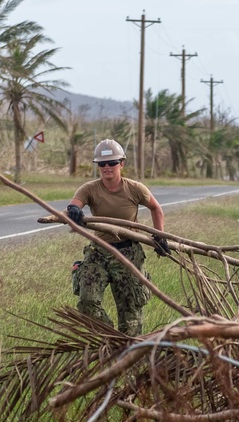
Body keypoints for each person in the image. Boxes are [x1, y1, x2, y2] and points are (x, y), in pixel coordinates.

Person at [65, 138, 171, 336]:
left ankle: (127, 352)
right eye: (102, 164)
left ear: (121, 163)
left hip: (128, 253)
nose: (107, 167)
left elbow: (156, 208)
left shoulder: (135, 188)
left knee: (131, 316)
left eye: (112, 163)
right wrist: (74, 210)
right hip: (99, 252)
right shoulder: (89, 188)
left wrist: (159, 236)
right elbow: (75, 204)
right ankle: (111, 337)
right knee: (87, 301)